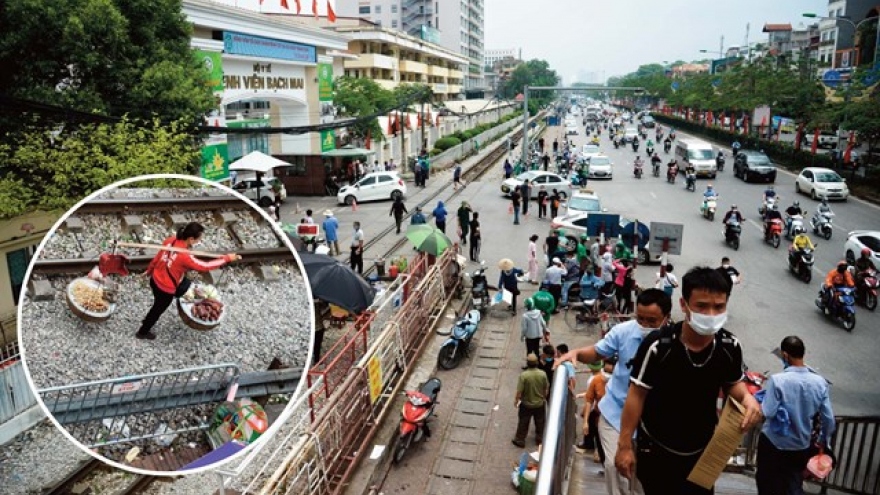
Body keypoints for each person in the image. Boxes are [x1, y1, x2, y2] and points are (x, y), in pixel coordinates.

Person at [616, 267, 763, 495]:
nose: (711, 314)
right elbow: (636, 394)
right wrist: (624, 446)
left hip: (703, 452)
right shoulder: (659, 346)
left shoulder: (729, 347)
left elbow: (733, 383)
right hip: (656, 449)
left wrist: (747, 398)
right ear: (684, 305)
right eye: (702, 306)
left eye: (719, 306)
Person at [557, 289, 673, 494]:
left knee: (642, 479)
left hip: (654, 423)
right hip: (616, 413)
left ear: (666, 318)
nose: (645, 326)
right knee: (614, 466)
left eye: (652, 321)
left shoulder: (675, 343)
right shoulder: (624, 332)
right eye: (641, 319)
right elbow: (597, 351)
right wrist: (575, 353)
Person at [756, 336, 835, 495]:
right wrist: (822, 440)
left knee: (767, 483)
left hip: (773, 444)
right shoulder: (820, 383)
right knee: (793, 483)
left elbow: (768, 412)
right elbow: (829, 419)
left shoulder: (777, 381)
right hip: (800, 445)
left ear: (785, 355)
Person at [136, 222, 240, 340]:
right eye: (199, 239)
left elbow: (158, 257)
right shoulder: (185, 256)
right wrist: (226, 259)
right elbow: (204, 266)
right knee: (157, 310)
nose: (199, 241)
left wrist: (149, 271)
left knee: (158, 303)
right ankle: (143, 332)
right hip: (165, 288)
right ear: (191, 239)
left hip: (154, 279)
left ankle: (147, 319)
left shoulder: (171, 240)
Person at [512, 353, 550, 449]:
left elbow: (519, 391)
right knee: (540, 422)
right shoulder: (542, 374)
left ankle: (520, 439)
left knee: (523, 422)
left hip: (526, 404)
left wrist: (516, 401)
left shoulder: (524, 376)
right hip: (539, 403)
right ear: (537, 363)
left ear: (527, 363)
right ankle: (540, 439)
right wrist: (543, 397)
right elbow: (546, 388)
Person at [576, 359, 609, 461]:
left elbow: (589, 398)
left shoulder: (594, 380)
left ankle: (594, 448)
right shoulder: (599, 378)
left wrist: (585, 412)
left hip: (595, 408)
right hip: (600, 409)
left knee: (593, 430)